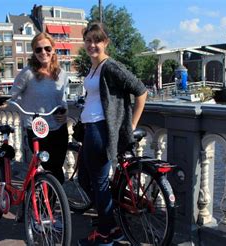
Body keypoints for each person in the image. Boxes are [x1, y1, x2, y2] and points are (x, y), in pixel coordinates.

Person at [77, 23, 148, 246]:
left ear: (105, 42)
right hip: (90, 128)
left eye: (97, 40)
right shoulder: (93, 68)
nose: (92, 45)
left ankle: (105, 234)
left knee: (98, 183)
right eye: (88, 40)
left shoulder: (110, 67)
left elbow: (141, 91)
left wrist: (129, 126)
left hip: (100, 130)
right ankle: (111, 226)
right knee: (86, 179)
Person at [10, 32, 69, 184]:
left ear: (54, 49)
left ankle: (51, 202)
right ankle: (45, 204)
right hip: (37, 128)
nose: (43, 52)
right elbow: (12, 95)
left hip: (58, 126)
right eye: (38, 49)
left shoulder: (62, 74)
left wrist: (66, 112)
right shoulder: (27, 73)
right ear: (34, 52)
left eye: (47, 48)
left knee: (57, 167)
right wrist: (1, 102)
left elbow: (62, 99)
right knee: (50, 170)